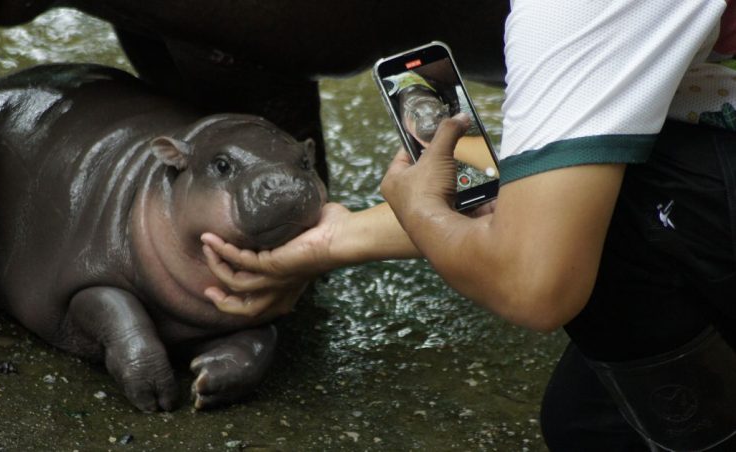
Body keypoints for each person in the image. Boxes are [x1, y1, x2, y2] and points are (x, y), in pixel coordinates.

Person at [200, 1, 736, 450]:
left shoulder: (572, 12)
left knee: (623, 209)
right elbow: (549, 195)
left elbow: (534, 283)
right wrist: (337, 238)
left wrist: (420, 210)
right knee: (584, 423)